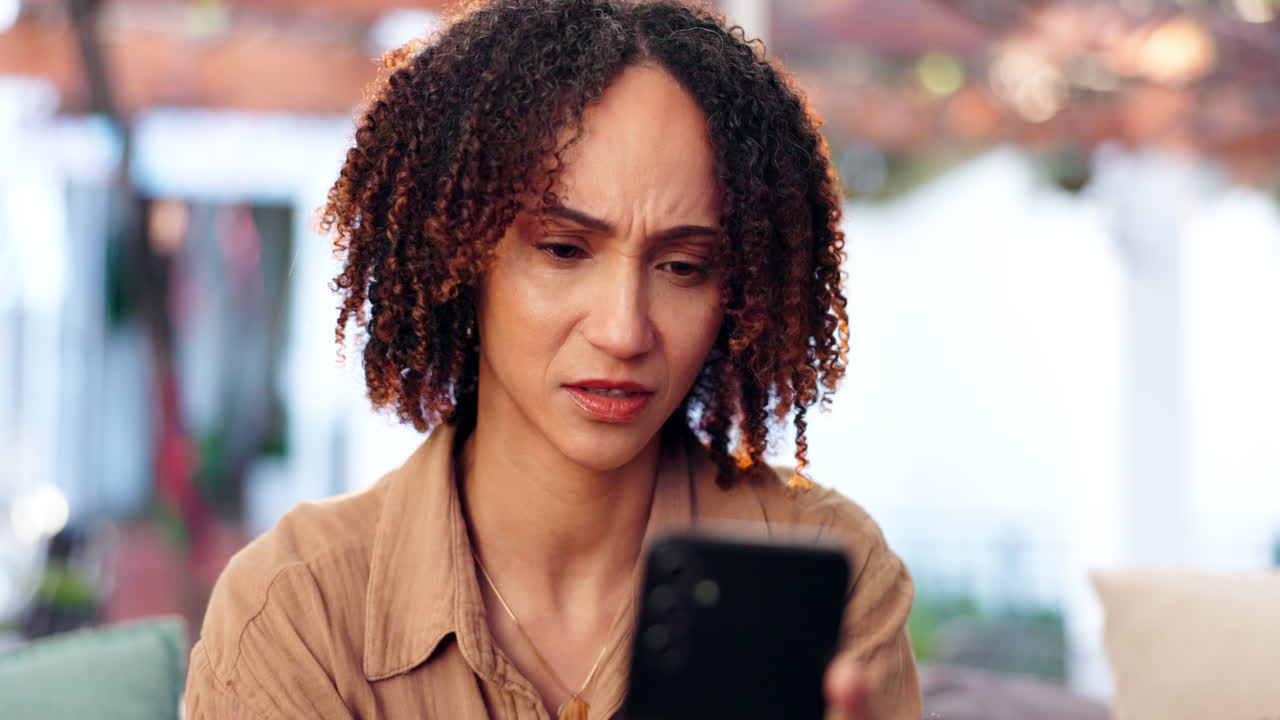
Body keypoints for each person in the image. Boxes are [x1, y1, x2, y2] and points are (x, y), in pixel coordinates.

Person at [184, 1, 920, 718]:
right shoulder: (299, 612)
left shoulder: (831, 576)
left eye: (686, 265)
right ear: (459, 255)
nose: (624, 329)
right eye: (564, 250)